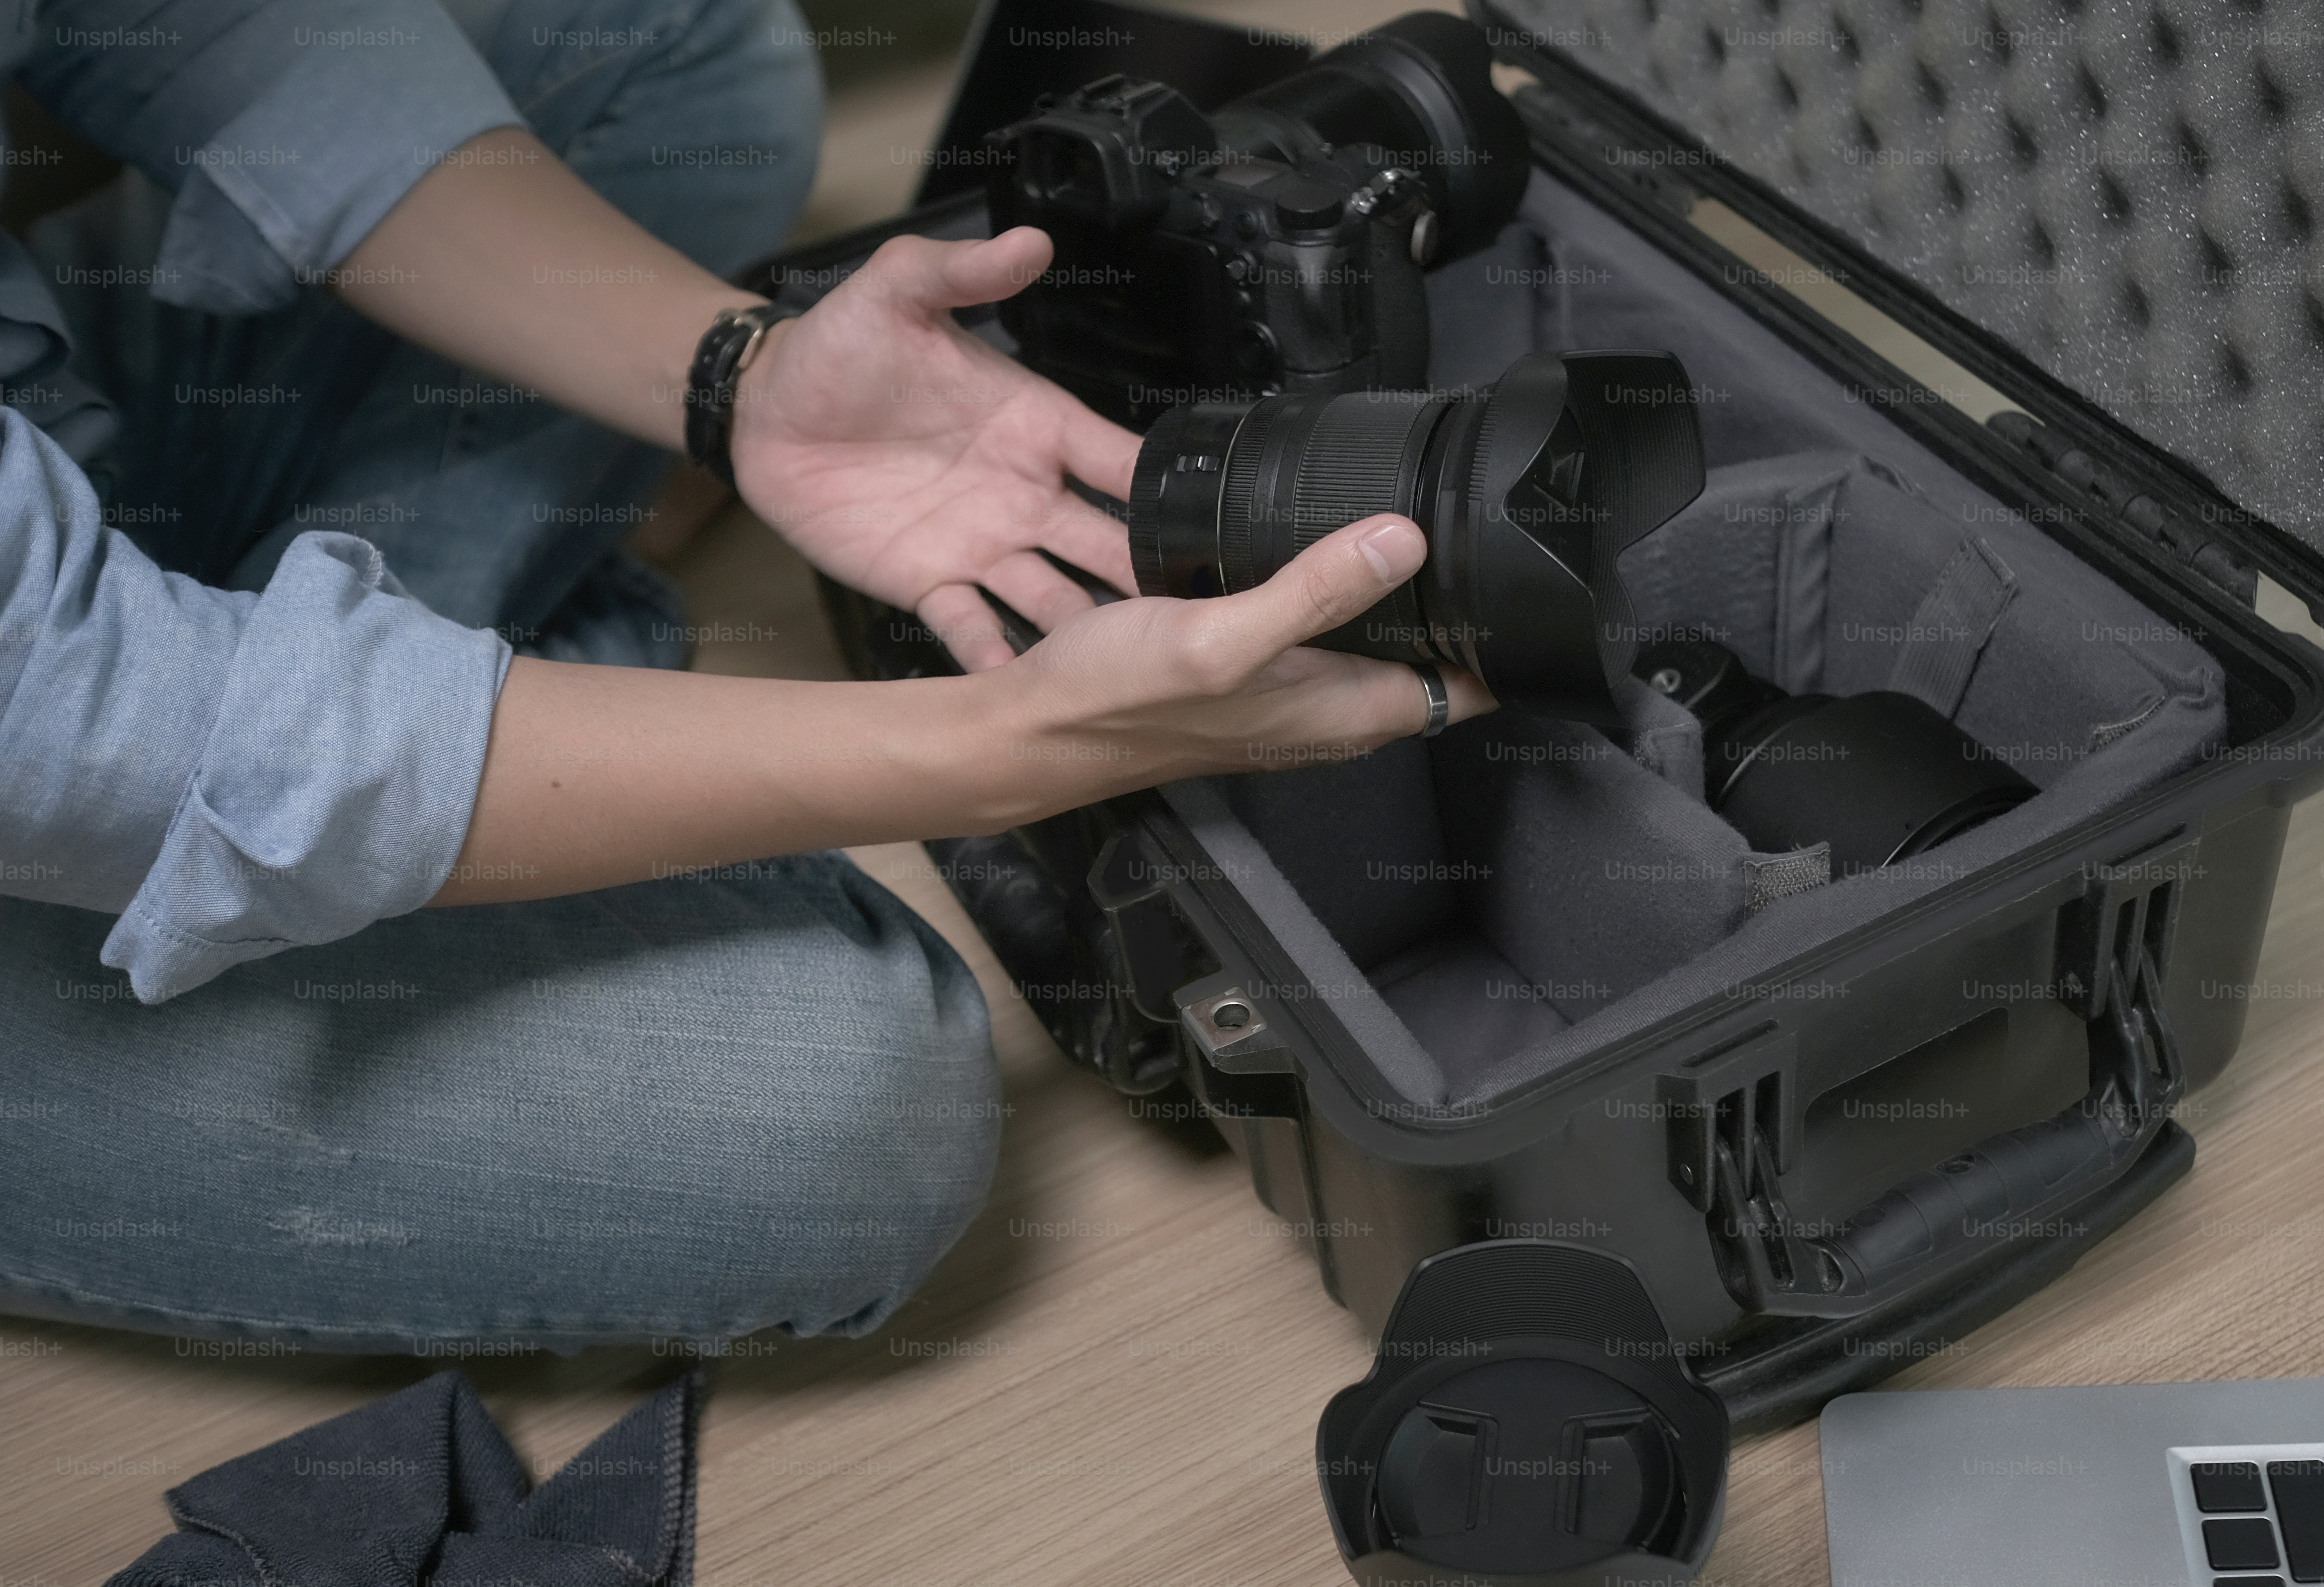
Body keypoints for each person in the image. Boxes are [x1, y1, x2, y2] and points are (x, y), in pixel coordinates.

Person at [0, 0, 1486, 1352]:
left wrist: (739, 379)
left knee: (679, 40)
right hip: (55, 722)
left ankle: (397, 702)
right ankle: (410, 720)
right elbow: (95, 716)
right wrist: (1000, 742)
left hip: (40, 412)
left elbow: (176, 24)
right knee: (843, 1111)